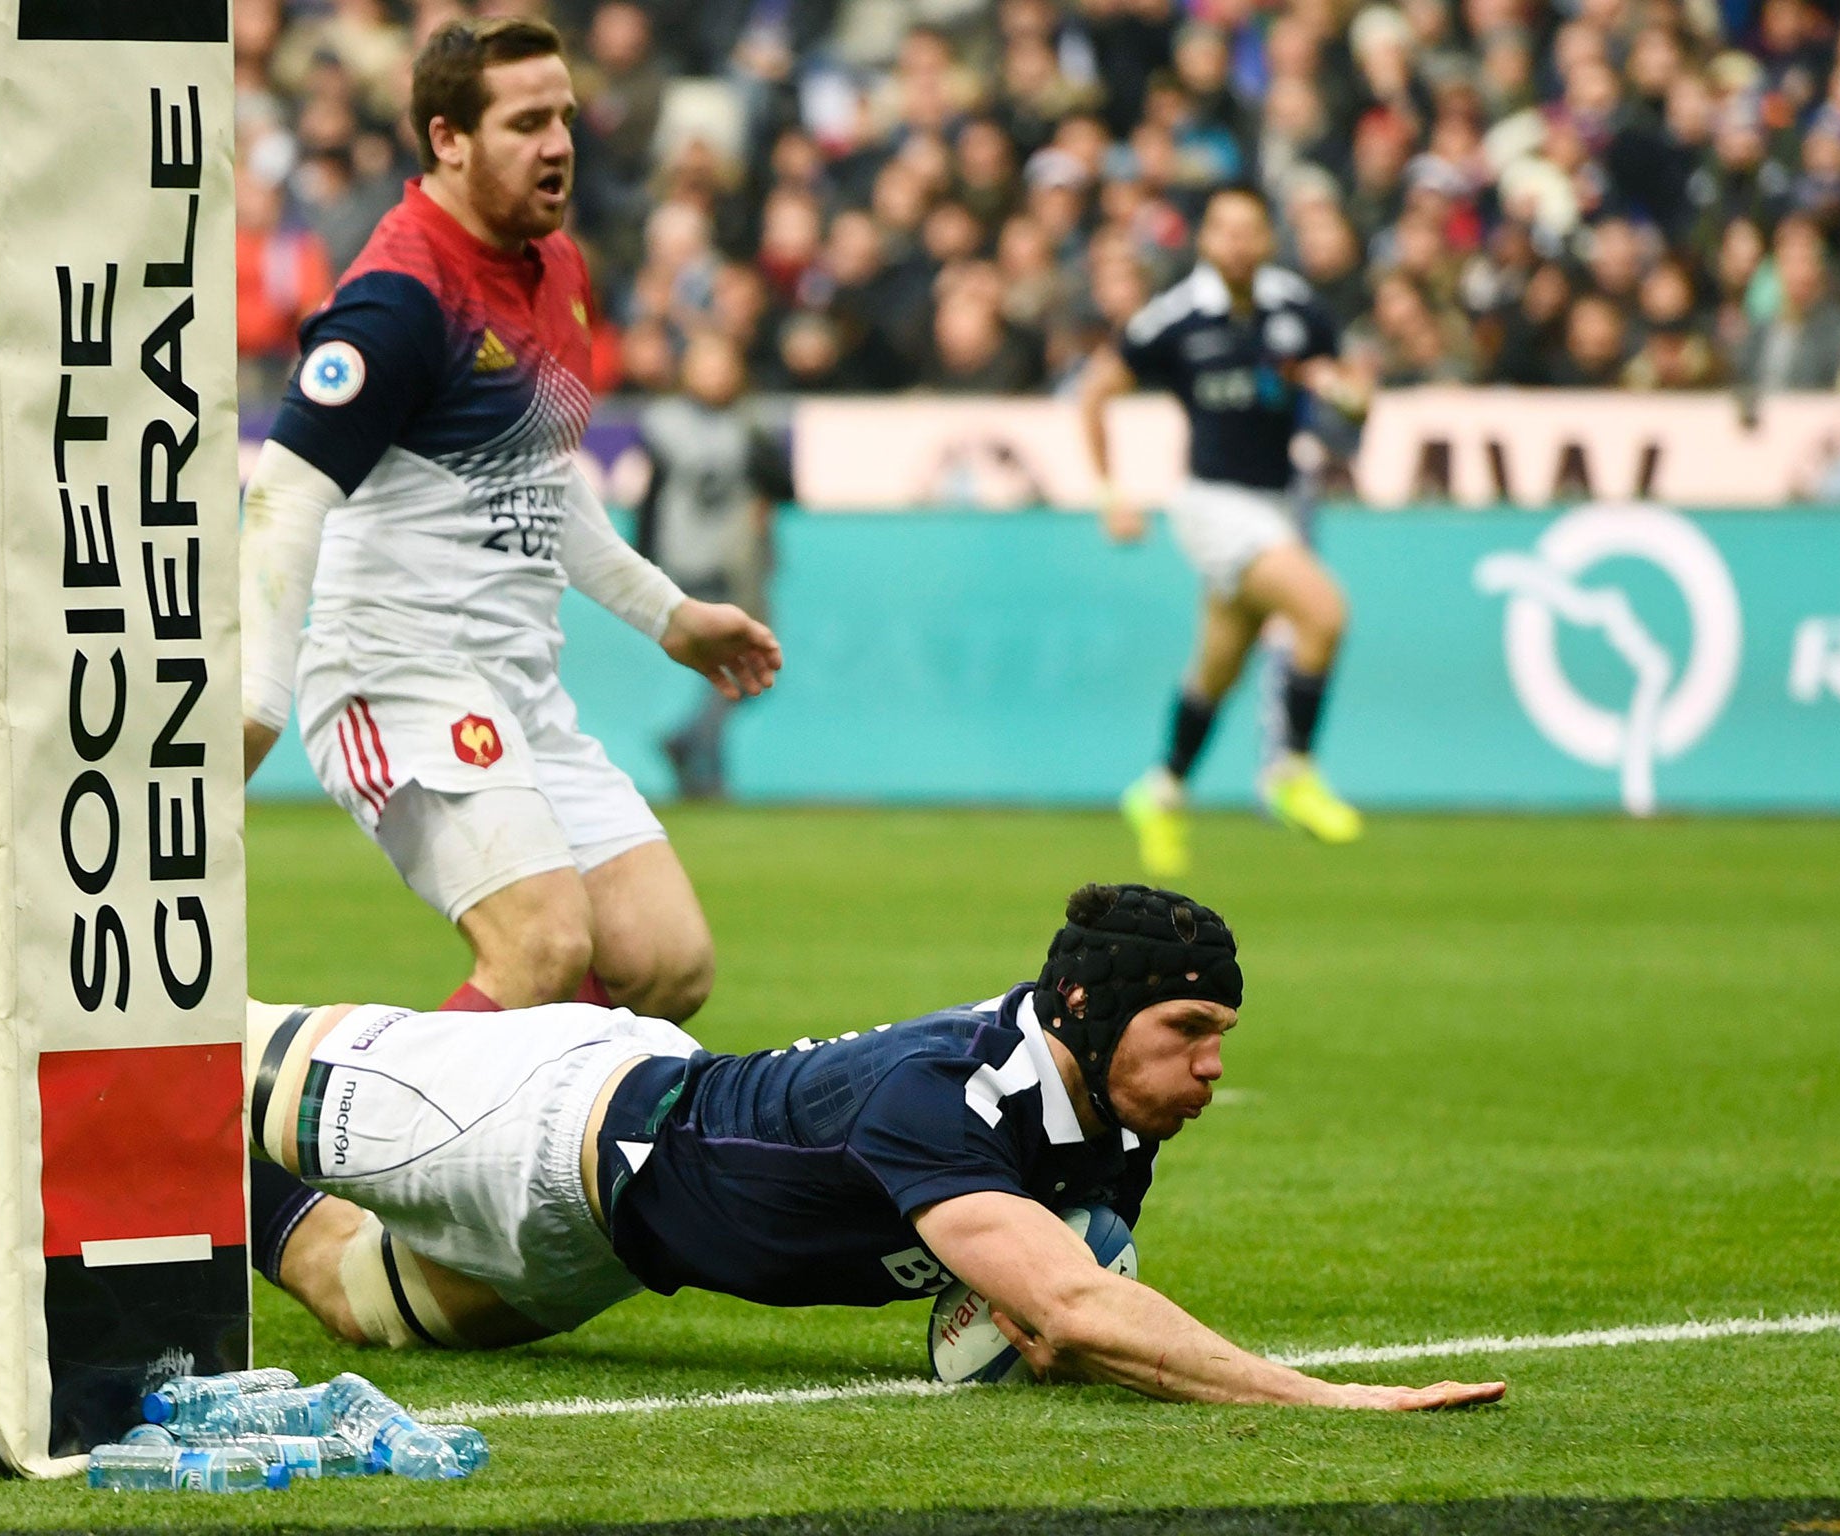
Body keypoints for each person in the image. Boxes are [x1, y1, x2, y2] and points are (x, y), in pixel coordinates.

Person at [243, 883, 1506, 1412]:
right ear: (1090, 1011)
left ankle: (169, 1180)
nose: (1211, 1066)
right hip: (532, 1117)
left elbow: (1046, 1324)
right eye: (1187, 1030)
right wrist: (1334, 1400)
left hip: (611, 1247)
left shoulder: (1112, 1125)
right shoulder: (940, 1094)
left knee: (356, 1301)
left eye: (1221, 1033)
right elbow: (1066, 1305)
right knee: (197, 1051)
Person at [238, 18, 782, 1021]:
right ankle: (352, 1151)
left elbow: (542, 479)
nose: (559, 143)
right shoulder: (399, 298)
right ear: (448, 138)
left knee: (665, 964)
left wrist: (667, 614)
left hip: (519, 687)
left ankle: (502, 1159)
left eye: (564, 117)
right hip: (392, 673)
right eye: (527, 122)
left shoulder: (559, 271)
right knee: (539, 943)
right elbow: (284, 493)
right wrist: (258, 700)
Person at [1078, 186, 1372, 874]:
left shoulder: (1297, 306)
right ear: (1205, 240)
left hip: (1278, 498)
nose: (1238, 243)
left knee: (1218, 666)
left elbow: (1354, 394)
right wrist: (1111, 494)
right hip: (1213, 505)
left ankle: (1161, 788)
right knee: (1324, 613)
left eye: (1251, 230)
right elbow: (1096, 393)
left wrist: (1344, 393)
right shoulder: (1175, 319)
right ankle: (1290, 770)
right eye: (1225, 230)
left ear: (1268, 238)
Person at [635, 331, 793, 800]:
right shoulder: (666, 422)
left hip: (741, 559)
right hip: (687, 557)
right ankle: (698, 747)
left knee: (753, 663)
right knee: (734, 663)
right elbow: (652, 496)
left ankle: (695, 743)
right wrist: (644, 563)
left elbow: (785, 487)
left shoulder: (753, 420)